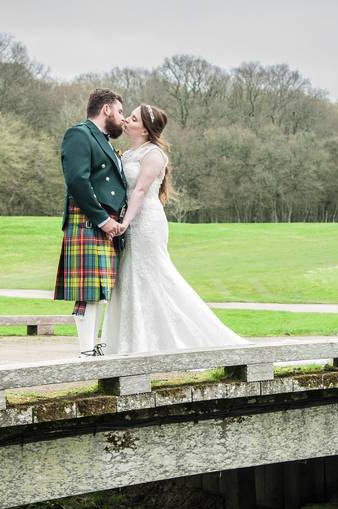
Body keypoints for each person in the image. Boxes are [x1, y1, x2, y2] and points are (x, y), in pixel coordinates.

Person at [100, 104, 250, 355]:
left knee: (152, 274)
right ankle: (133, 341)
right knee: (129, 276)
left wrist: (125, 222)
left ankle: (179, 338)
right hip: (132, 218)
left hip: (146, 221)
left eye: (133, 118)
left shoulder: (154, 155)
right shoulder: (127, 154)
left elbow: (140, 190)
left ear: (145, 130)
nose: (126, 119)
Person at [53, 89, 128, 357]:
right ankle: (86, 351)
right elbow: (77, 181)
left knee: (99, 290)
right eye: (120, 111)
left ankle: (92, 349)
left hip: (105, 223)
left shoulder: (105, 142)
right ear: (106, 109)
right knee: (89, 292)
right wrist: (102, 219)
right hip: (89, 220)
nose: (122, 118)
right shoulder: (80, 134)